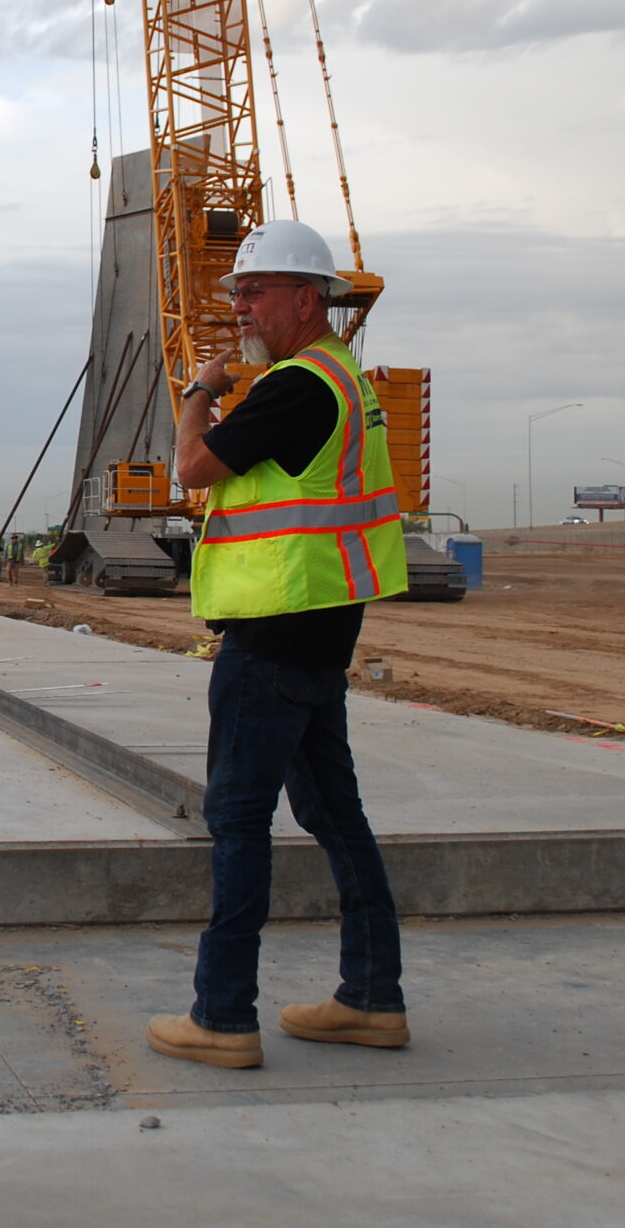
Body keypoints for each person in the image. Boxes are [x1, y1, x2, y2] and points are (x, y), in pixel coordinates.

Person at [144, 219, 412, 1070]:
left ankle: (223, 1016)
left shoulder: (296, 387)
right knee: (337, 817)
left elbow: (191, 469)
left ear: (309, 298)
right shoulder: (344, 381)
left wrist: (197, 393)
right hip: (319, 633)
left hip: (274, 640)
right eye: (236, 291)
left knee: (237, 823)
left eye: (254, 290)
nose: (239, 305)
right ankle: (372, 998)